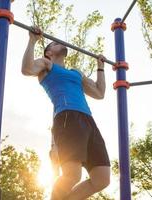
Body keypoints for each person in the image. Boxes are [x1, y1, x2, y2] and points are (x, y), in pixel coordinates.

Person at [21, 27, 110, 200]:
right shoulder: (47, 65)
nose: (60, 43)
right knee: (72, 175)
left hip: (88, 121)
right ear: (49, 53)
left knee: (102, 179)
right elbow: (26, 69)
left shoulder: (76, 72)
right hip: (67, 118)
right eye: (55, 43)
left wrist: (100, 67)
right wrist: (32, 40)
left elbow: (99, 93)